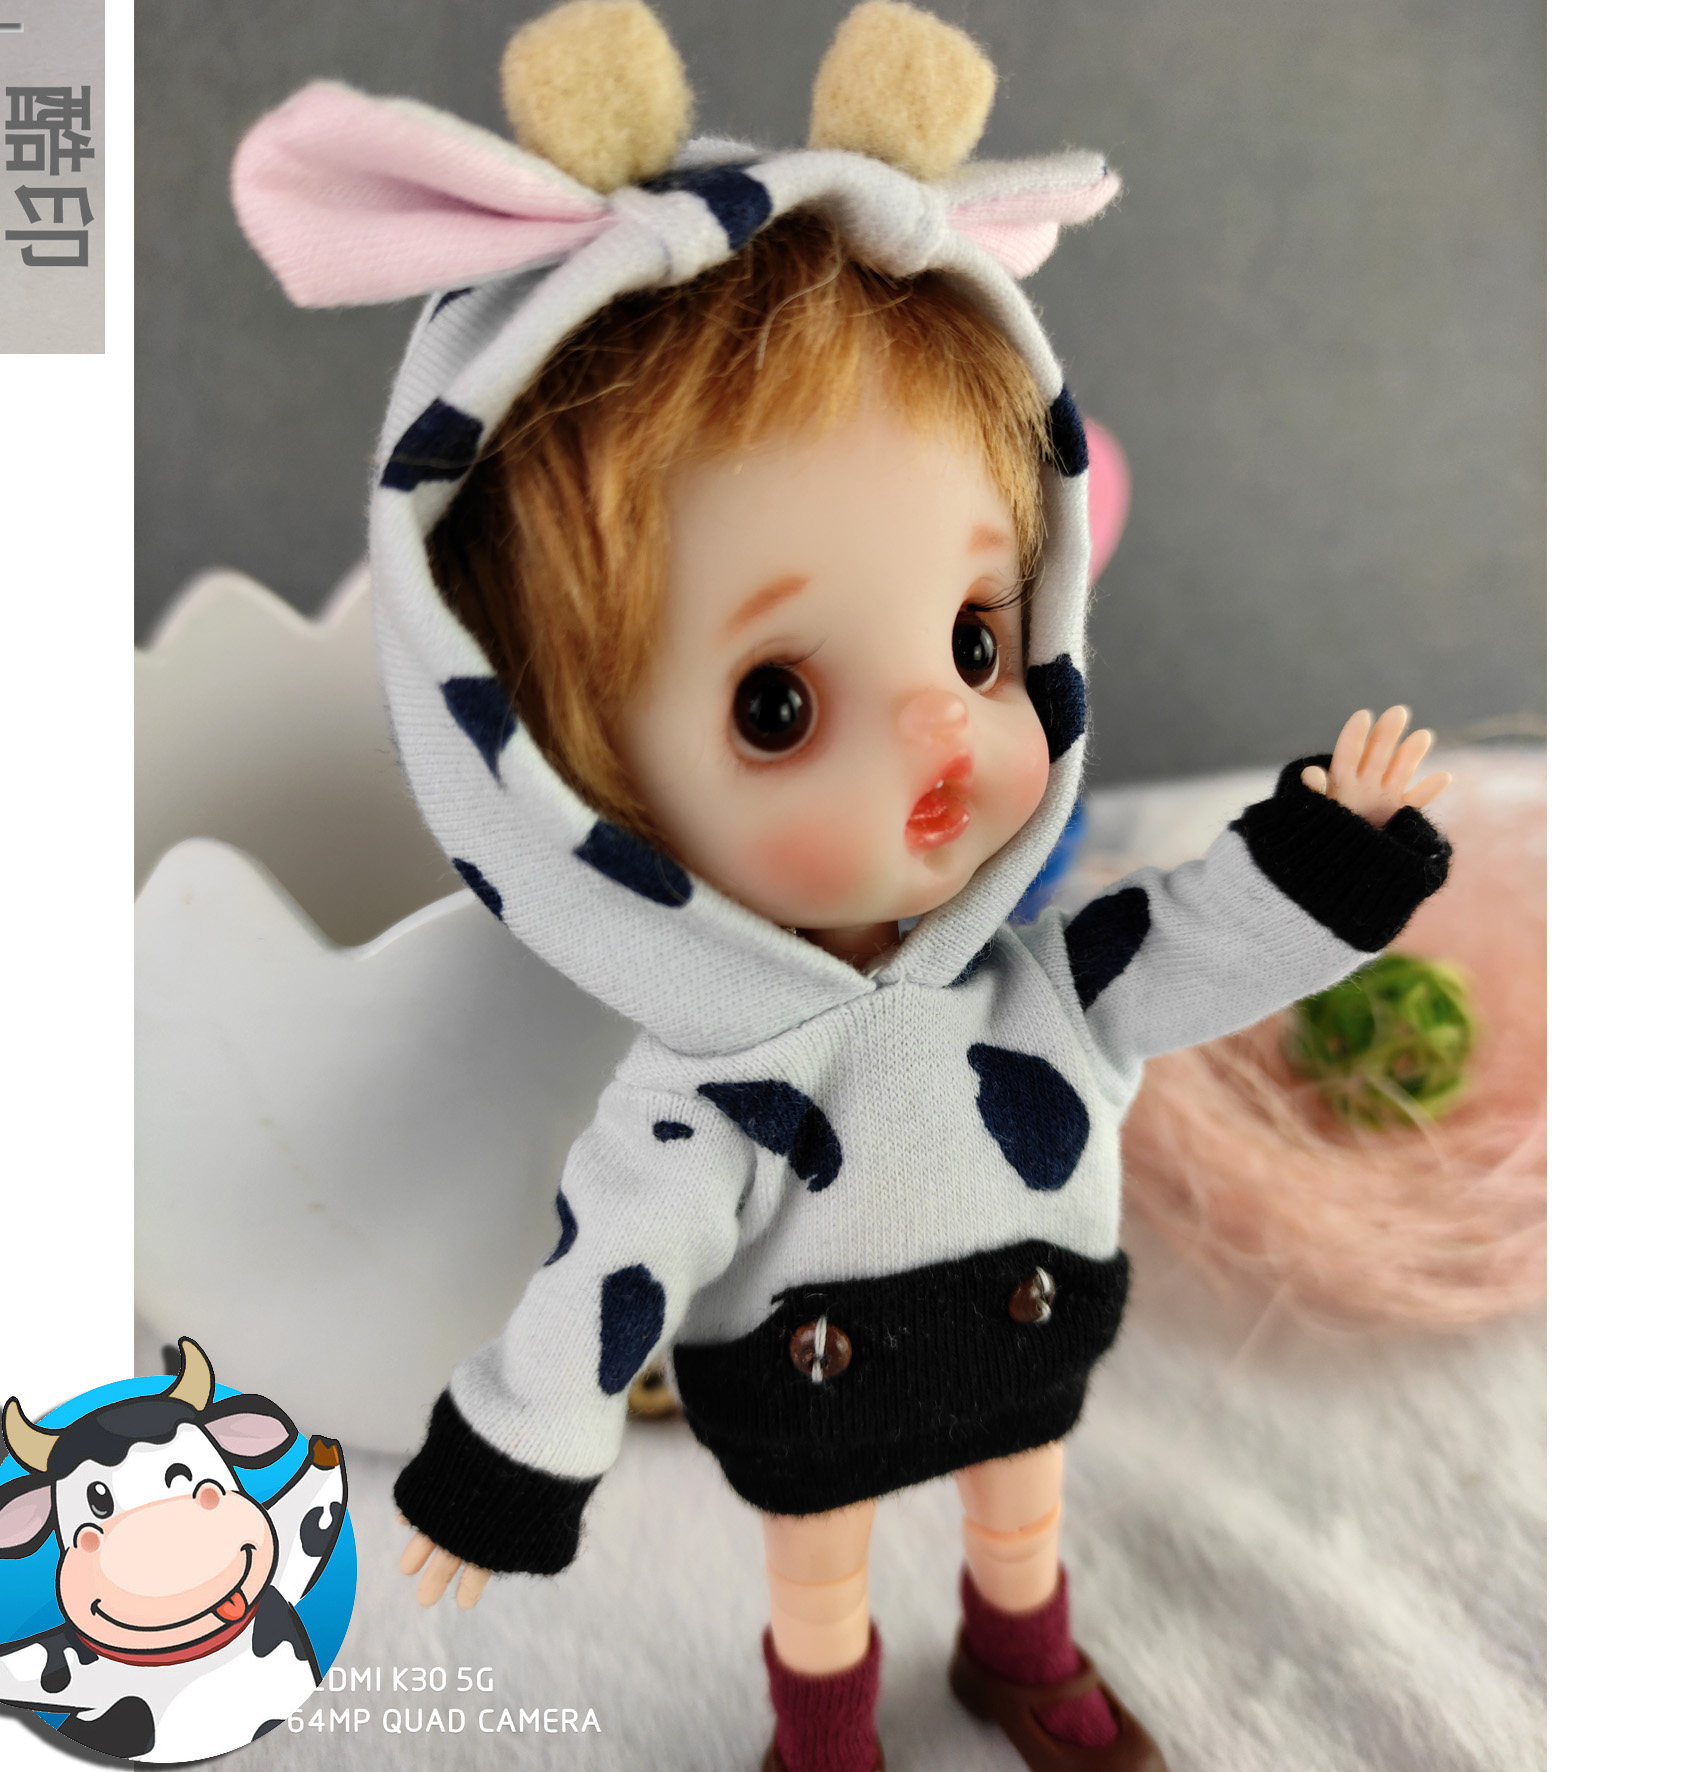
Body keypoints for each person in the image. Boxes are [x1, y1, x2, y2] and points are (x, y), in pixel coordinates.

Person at [234, 6, 1451, 1768]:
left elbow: (1196, 944)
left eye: (976, 638)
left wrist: (1327, 852)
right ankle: (826, 1726)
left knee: (1023, 1505)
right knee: (821, 1570)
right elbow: (610, 1273)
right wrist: (509, 1459)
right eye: (778, 705)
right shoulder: (713, 1092)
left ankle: (1022, 1648)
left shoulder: (1043, 983)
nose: (943, 729)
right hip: (810, 1371)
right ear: (561, 784)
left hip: (1029, 1323)